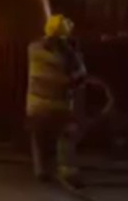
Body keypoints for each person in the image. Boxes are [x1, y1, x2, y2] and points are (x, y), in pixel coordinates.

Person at [27, 14, 87, 189]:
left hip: (35, 107)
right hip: (58, 107)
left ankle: (41, 171)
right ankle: (68, 172)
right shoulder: (66, 57)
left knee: (37, 137)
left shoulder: (33, 50)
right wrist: (73, 52)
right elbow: (80, 75)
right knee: (66, 136)